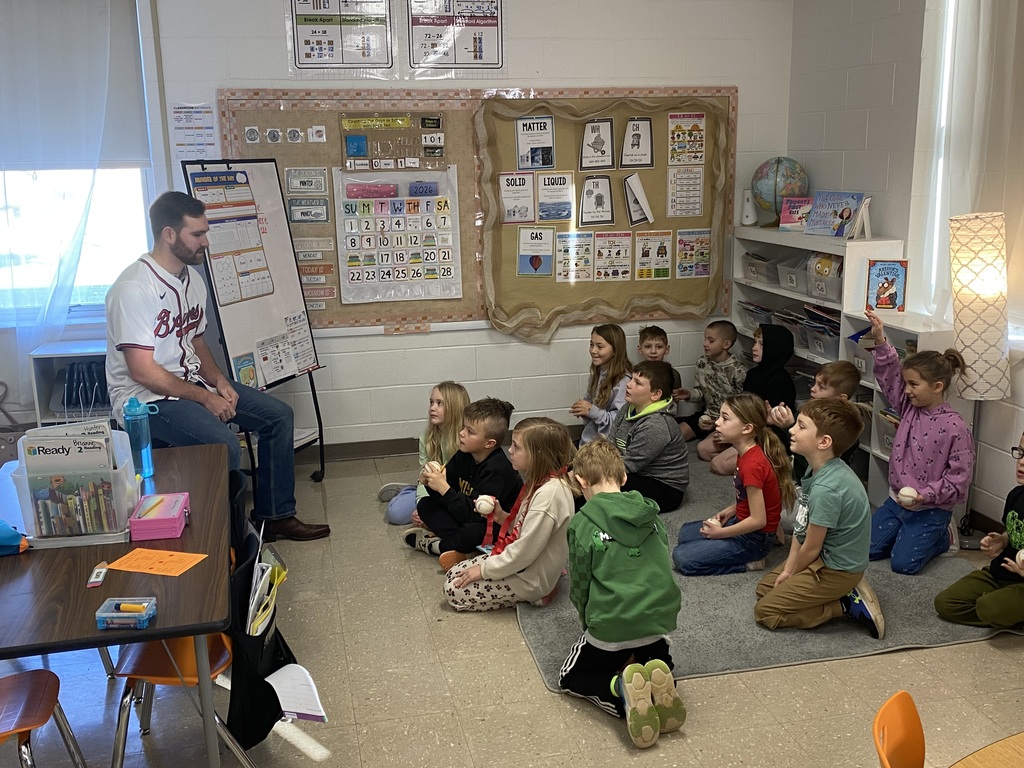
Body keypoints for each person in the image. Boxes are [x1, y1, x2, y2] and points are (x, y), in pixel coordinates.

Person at [105, 191, 329, 542]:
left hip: (189, 381)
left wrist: (219, 382)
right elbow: (142, 371)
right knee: (223, 443)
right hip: (145, 399)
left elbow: (196, 341)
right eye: (197, 234)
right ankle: (228, 535)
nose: (206, 242)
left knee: (278, 416)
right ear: (169, 234)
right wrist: (205, 399)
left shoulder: (192, 280)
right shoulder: (133, 288)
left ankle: (275, 516)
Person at [558, 439, 686, 750]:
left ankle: (620, 691)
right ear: (624, 477)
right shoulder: (651, 516)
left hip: (613, 623)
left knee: (570, 677)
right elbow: (659, 565)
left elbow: (580, 582)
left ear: (580, 481)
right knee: (654, 659)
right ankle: (660, 678)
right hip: (659, 620)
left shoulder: (582, 523)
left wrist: (588, 619)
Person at [754, 398, 885, 639]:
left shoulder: (827, 489)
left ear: (824, 442)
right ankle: (836, 594)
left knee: (766, 612)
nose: (792, 429)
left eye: (801, 426)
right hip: (824, 557)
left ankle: (844, 605)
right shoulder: (817, 469)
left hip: (837, 569)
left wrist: (792, 574)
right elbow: (801, 529)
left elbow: (812, 547)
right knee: (764, 589)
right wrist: (790, 569)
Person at [864, 308, 974, 574]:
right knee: (866, 550)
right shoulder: (909, 407)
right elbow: (889, 378)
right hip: (896, 500)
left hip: (930, 508)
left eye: (914, 384)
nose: (907, 390)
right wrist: (880, 341)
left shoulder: (956, 428)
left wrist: (925, 495)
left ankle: (942, 537)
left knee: (903, 565)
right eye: (906, 383)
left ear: (937, 387)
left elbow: (958, 480)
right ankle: (904, 532)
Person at [443, 417, 574, 610]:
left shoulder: (549, 496)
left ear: (537, 455)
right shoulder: (542, 481)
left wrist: (484, 570)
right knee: (454, 574)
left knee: (452, 590)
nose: (510, 451)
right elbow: (524, 529)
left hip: (530, 577)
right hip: (524, 562)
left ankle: (543, 590)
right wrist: (501, 516)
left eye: (516, 446)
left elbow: (523, 552)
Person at [673, 393, 795, 575]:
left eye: (725, 418)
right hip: (743, 521)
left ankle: (752, 563)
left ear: (746, 428)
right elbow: (747, 498)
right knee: (685, 534)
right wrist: (729, 512)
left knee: (682, 558)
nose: (717, 423)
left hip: (754, 539)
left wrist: (721, 533)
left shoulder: (753, 464)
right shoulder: (744, 453)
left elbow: (759, 520)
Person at [404, 397, 522, 557]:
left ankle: (438, 546)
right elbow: (446, 495)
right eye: (464, 428)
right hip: (463, 513)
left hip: (487, 523)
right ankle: (458, 545)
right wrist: (429, 483)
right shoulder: (464, 454)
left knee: (473, 532)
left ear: (489, 443)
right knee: (425, 504)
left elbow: (476, 516)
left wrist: (444, 488)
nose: (461, 433)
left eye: (470, 432)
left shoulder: (497, 470)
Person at [934, 435, 1024, 627]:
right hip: (1001, 573)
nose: (1022, 462)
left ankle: (1004, 609)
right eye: (1021, 452)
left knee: (987, 607)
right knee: (946, 603)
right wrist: (1002, 540)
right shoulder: (1017, 494)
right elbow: (1013, 532)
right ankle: (1007, 609)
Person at [378, 381, 469, 525]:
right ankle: (409, 491)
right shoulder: (426, 438)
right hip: (430, 488)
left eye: (439, 403)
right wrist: (421, 506)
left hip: (454, 493)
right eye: (431, 402)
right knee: (395, 515)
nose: (432, 408)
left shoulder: (465, 441)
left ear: (454, 408)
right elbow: (425, 474)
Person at [708, 324, 795, 477]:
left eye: (761, 344)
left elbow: (774, 425)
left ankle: (773, 462)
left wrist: (736, 435)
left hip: (767, 435)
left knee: (718, 465)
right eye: (755, 342)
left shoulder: (781, 381)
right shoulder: (753, 374)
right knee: (704, 450)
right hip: (747, 429)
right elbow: (744, 409)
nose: (754, 348)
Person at [608, 360, 689, 513]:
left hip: (665, 488)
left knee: (601, 484)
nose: (629, 384)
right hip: (637, 471)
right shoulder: (628, 407)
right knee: (585, 471)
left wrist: (592, 472)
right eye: (631, 378)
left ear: (656, 394)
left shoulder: (656, 425)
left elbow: (629, 466)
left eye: (637, 383)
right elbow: (611, 443)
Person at [767, 360, 863, 484]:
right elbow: (790, 448)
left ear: (841, 398)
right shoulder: (808, 412)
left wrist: (788, 427)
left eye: (821, 387)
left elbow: (811, 460)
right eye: (814, 383)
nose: (813, 389)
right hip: (801, 478)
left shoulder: (842, 429)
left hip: (822, 483)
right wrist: (777, 422)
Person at [678, 320, 747, 446]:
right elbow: (701, 392)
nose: (705, 344)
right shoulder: (702, 363)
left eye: (711, 341)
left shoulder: (738, 370)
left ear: (726, 344)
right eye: (705, 339)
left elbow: (743, 405)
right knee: (675, 436)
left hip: (729, 419)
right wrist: (689, 395)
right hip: (708, 413)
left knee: (703, 449)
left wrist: (720, 421)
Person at [570, 324, 632, 444]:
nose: (593, 351)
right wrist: (583, 411)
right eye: (591, 344)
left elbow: (620, 423)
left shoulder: (624, 381)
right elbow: (592, 412)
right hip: (590, 443)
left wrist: (591, 411)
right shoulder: (597, 373)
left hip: (605, 451)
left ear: (615, 350)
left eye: (600, 346)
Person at [636, 324, 683, 416]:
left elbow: (674, 406)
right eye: (648, 346)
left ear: (666, 349)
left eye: (659, 347)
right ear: (640, 349)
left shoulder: (673, 375)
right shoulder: (635, 374)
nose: (653, 351)